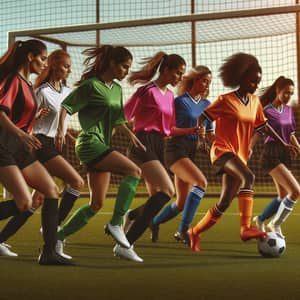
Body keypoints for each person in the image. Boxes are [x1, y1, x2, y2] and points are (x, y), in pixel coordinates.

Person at [187, 53, 297, 252]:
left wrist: (284, 143)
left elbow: (263, 127)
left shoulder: (255, 102)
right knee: (249, 177)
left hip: (240, 156)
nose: (255, 84)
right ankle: (245, 228)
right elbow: (202, 117)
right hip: (221, 151)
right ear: (241, 78)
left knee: (224, 203)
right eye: (252, 80)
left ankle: (194, 232)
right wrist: (202, 138)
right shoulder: (225, 100)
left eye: (258, 81)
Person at [54, 45, 144, 259]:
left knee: (96, 204)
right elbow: (66, 107)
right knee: (134, 172)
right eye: (123, 66)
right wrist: (60, 130)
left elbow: (119, 118)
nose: (126, 71)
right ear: (111, 64)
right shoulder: (91, 86)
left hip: (102, 145)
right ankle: (115, 223)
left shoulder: (117, 89)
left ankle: (57, 237)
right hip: (88, 143)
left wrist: (131, 135)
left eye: (128, 68)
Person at [115, 51, 202, 262]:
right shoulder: (146, 90)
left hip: (159, 146)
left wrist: (191, 131)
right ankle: (126, 243)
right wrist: (111, 133)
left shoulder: (169, 95)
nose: (180, 78)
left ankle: (132, 218)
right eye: (177, 73)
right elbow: (122, 114)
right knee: (168, 191)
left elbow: (170, 128)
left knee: (159, 196)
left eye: (182, 74)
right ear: (165, 70)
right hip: (142, 142)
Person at [0, 49, 84, 259]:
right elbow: (6, 114)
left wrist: (71, 138)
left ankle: (48, 249)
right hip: (33, 143)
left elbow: (42, 119)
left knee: (38, 198)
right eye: (43, 58)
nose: (45, 64)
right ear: (31, 56)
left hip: (27, 145)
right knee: (74, 182)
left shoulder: (30, 85)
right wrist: (25, 131)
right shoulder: (30, 86)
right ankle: (53, 237)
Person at [149, 65, 214, 244]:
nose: (207, 85)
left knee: (182, 202)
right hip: (175, 150)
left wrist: (217, 144)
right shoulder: (179, 102)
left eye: (209, 82)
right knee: (201, 183)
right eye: (204, 80)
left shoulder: (207, 105)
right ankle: (183, 231)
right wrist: (192, 130)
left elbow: (208, 134)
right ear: (194, 80)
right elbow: (169, 130)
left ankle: (153, 222)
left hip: (191, 151)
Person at [252, 76, 300, 237]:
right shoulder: (266, 111)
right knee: (295, 191)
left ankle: (260, 219)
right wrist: (249, 148)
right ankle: (276, 224)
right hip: (271, 154)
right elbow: (258, 133)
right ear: (278, 91)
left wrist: (298, 147)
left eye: (291, 94)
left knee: (283, 195)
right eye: (286, 93)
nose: (288, 96)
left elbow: (291, 133)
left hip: (285, 154)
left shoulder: (288, 111)